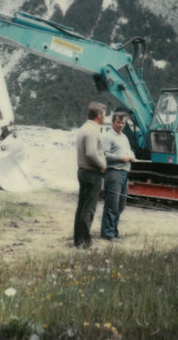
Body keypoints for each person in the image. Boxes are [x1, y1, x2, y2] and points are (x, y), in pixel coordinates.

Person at [73, 101, 107, 249]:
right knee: (89, 209)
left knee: (82, 207)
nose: (105, 116)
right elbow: (91, 153)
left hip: (83, 171)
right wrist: (103, 166)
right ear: (99, 115)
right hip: (92, 173)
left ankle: (79, 240)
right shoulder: (92, 131)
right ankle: (85, 242)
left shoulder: (84, 128)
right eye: (104, 114)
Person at [101, 112, 135, 241]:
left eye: (123, 123)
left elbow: (128, 150)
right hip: (114, 173)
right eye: (118, 122)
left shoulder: (124, 137)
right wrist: (121, 158)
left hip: (124, 173)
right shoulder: (108, 136)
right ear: (112, 122)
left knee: (120, 205)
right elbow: (105, 155)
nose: (121, 125)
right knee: (112, 205)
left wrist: (131, 156)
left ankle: (113, 231)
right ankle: (108, 234)